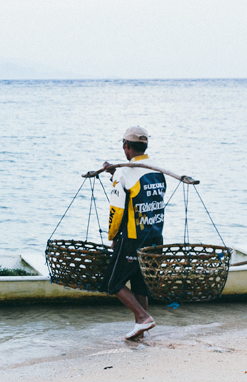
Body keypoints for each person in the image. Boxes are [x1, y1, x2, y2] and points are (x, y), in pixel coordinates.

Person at [101, 126, 166, 340]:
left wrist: (112, 237)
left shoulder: (123, 173)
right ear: (145, 146)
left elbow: (116, 211)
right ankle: (140, 329)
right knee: (140, 283)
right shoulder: (157, 168)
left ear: (126, 146)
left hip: (132, 239)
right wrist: (115, 172)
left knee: (112, 282)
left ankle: (143, 317)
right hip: (155, 237)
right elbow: (142, 190)